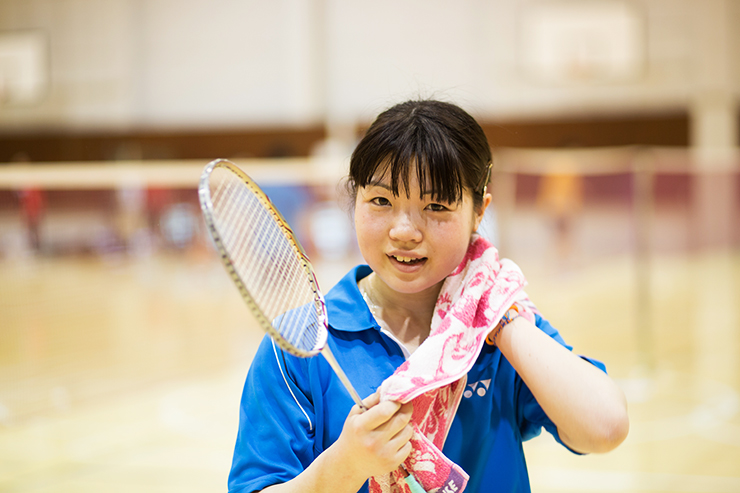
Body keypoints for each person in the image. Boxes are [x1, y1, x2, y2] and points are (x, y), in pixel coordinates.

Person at [228, 99, 629, 493]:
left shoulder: (497, 326)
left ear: (479, 211)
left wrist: (497, 317)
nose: (404, 231)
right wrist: (345, 465)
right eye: (381, 201)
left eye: (435, 206)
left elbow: (604, 428)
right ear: (355, 200)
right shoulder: (299, 343)